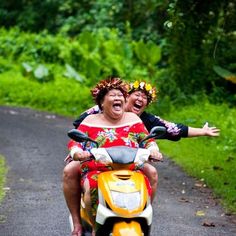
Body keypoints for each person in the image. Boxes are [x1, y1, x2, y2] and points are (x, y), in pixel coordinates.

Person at [65, 77, 161, 236]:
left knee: (152, 173)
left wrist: (153, 149)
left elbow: (148, 140)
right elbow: (75, 142)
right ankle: (84, 224)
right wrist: (77, 152)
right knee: (90, 188)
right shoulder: (90, 121)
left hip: (131, 167)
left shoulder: (133, 119)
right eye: (113, 95)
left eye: (120, 95)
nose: (118, 98)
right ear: (102, 102)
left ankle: (143, 217)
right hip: (98, 169)